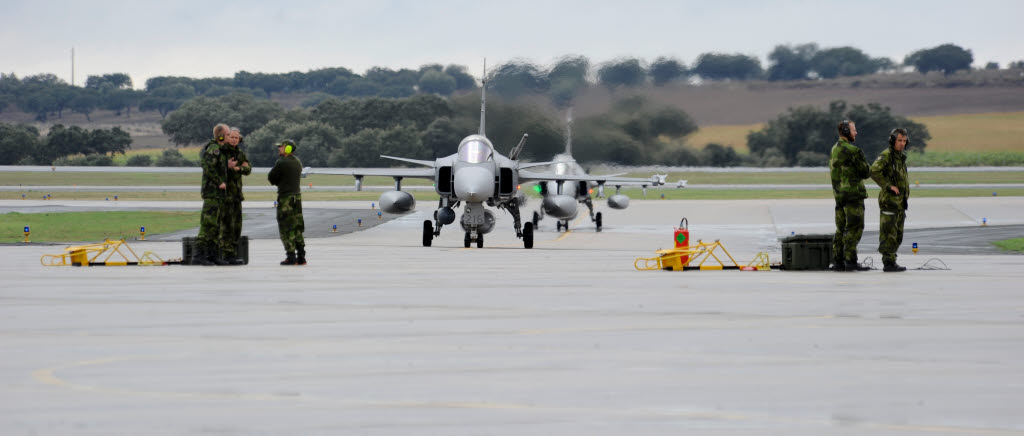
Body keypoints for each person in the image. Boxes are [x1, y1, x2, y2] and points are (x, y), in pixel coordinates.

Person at [829, 119, 871, 272]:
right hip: (853, 196)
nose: (856, 132)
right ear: (847, 132)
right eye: (854, 130)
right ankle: (851, 260)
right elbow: (866, 172)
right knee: (854, 228)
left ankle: (838, 261)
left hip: (839, 196)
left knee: (841, 229)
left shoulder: (834, 149)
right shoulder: (853, 150)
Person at [870, 128, 910, 272]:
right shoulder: (886, 155)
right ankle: (888, 262)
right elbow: (873, 170)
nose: (902, 144)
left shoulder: (899, 157)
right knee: (889, 234)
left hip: (900, 203)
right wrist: (888, 186)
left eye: (904, 141)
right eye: (899, 140)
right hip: (890, 202)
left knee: (898, 235)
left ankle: (892, 260)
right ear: (893, 141)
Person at [193, 123, 229, 266]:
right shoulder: (214, 149)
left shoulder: (221, 150)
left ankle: (212, 255)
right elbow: (207, 166)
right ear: (220, 135)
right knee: (208, 225)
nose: (228, 136)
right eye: (227, 134)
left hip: (218, 194)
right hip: (212, 193)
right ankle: (199, 255)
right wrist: (219, 181)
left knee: (216, 226)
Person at [268, 140, 306, 265]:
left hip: (286, 199)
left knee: (286, 227)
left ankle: (291, 256)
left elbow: (271, 178)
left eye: (281, 147)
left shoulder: (281, 162)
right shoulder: (297, 162)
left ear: (288, 149)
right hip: (297, 198)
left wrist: (279, 180)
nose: (279, 148)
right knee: (297, 227)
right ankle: (301, 256)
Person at [218, 127, 251, 265]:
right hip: (225, 195)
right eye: (232, 137)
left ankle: (232, 253)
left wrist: (238, 168)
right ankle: (225, 254)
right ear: (227, 137)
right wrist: (227, 166)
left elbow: (248, 169)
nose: (234, 140)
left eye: (236, 138)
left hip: (237, 195)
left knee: (237, 226)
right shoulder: (222, 151)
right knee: (226, 226)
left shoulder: (240, 153)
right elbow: (214, 167)